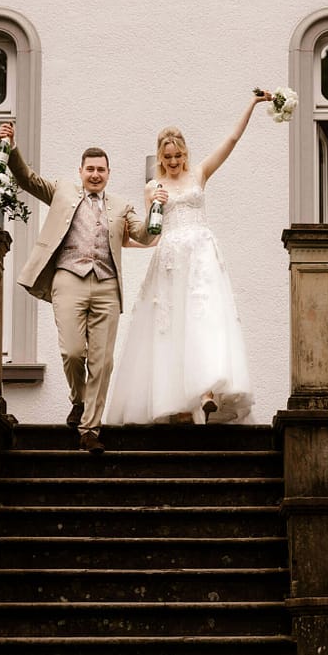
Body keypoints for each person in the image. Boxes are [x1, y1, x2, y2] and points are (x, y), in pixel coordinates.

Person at [106, 91, 271, 425]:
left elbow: (232, 139)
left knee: (205, 320)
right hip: (169, 258)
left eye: (178, 155)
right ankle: (178, 405)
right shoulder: (154, 186)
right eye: (167, 156)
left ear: (185, 152)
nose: (173, 161)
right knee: (171, 328)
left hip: (201, 255)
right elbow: (152, 233)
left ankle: (208, 392)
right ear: (160, 156)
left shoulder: (199, 174)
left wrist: (252, 104)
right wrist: (154, 204)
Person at [0, 122, 152, 453]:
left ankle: (90, 430)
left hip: (107, 284)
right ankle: (79, 400)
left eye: (101, 170)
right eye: (90, 169)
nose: (95, 174)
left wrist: (158, 209)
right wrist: (11, 147)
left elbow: (143, 235)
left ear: (109, 173)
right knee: (72, 352)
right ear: (80, 171)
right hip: (68, 277)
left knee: (102, 360)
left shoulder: (121, 206)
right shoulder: (62, 191)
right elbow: (27, 179)